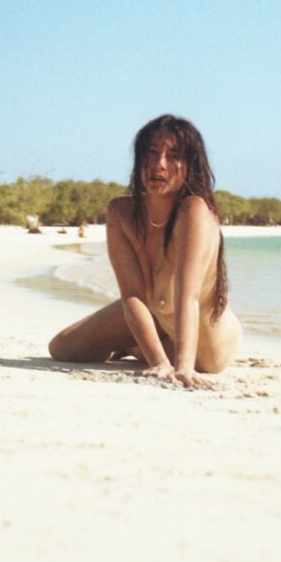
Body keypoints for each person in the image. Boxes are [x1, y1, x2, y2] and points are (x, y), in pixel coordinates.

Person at [48, 115, 242, 388]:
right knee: (63, 348)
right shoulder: (121, 213)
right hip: (157, 314)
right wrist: (158, 362)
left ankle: (139, 347)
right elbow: (132, 296)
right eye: (151, 153)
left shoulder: (194, 210)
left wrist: (182, 366)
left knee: (198, 361)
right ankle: (143, 347)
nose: (159, 164)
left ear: (191, 165)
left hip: (205, 342)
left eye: (173, 156)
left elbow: (188, 297)